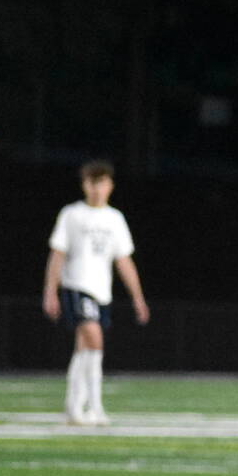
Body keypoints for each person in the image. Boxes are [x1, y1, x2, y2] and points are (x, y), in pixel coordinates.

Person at [42, 160, 149, 426]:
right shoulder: (72, 214)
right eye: (92, 182)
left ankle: (73, 406)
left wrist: (138, 297)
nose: (96, 188)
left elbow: (123, 260)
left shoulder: (115, 219)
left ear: (110, 185)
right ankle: (96, 406)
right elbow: (58, 254)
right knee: (95, 339)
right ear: (84, 185)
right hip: (77, 286)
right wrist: (50, 291)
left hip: (103, 293)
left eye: (101, 183)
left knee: (84, 348)